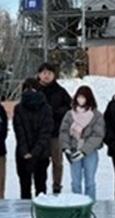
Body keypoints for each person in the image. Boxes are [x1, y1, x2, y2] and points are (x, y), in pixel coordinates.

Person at [59, 85, 105, 200]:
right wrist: (66, 148)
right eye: (79, 96)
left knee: (90, 181)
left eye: (83, 97)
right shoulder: (70, 114)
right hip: (73, 151)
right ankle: (76, 205)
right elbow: (64, 131)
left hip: (90, 152)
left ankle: (89, 204)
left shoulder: (96, 115)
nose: (81, 99)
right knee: (75, 182)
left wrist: (84, 151)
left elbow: (97, 135)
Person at [13, 78, 53, 199]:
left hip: (38, 154)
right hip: (27, 153)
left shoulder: (46, 108)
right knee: (27, 188)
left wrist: (32, 152)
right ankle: (27, 213)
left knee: (40, 187)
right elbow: (19, 131)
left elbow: (46, 132)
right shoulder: (19, 108)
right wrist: (26, 151)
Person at [36, 62, 71, 194]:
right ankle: (40, 187)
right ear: (39, 75)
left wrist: (55, 112)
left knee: (57, 162)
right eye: (44, 73)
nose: (46, 76)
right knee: (40, 162)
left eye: (49, 73)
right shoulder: (35, 90)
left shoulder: (60, 91)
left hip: (56, 133)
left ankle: (57, 186)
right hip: (39, 133)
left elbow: (69, 108)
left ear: (54, 75)